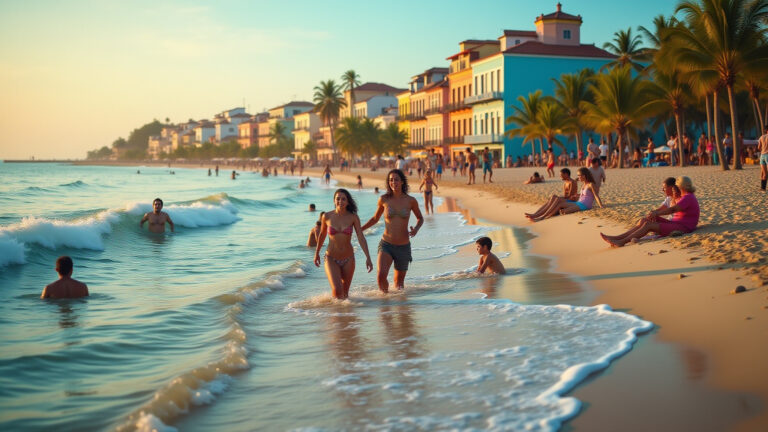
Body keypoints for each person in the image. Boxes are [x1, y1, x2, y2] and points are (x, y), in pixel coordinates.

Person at [361, 169, 424, 293]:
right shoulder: (384, 199)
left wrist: (416, 229)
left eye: (396, 179)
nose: (393, 182)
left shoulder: (410, 201)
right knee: (380, 277)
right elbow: (375, 219)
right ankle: (386, 306)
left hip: (403, 247)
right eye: (390, 180)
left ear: (401, 182)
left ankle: (400, 308)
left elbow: (420, 218)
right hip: (386, 244)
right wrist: (360, 229)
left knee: (399, 284)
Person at [601, 176, 699, 247]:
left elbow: (672, 209)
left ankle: (622, 241)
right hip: (675, 223)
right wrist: (655, 214)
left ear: (680, 186)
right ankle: (618, 238)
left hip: (683, 227)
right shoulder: (684, 196)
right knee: (645, 220)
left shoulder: (688, 197)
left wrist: (657, 213)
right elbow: (670, 206)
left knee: (649, 225)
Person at [314, 190, 373, 300]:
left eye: (343, 199)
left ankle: (345, 316)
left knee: (345, 294)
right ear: (334, 200)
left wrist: (368, 257)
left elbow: (361, 237)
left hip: (348, 259)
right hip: (331, 257)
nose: (340, 201)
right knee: (337, 290)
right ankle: (335, 316)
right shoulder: (327, 216)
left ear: (348, 202)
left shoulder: (353, 217)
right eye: (338, 198)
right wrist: (316, 253)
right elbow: (322, 235)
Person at [528, 167, 603, 221]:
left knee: (562, 208)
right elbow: (584, 195)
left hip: (584, 205)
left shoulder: (590, 184)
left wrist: (601, 206)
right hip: (579, 202)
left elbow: (596, 196)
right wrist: (576, 195)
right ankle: (537, 215)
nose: (578, 177)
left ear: (584, 176)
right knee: (560, 205)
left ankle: (542, 217)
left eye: (579, 175)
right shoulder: (584, 184)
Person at [759, 126, 768, 190]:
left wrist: (763, 150)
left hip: (762, 155)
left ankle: (763, 188)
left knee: (764, 173)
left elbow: (759, 147)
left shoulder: (761, 137)